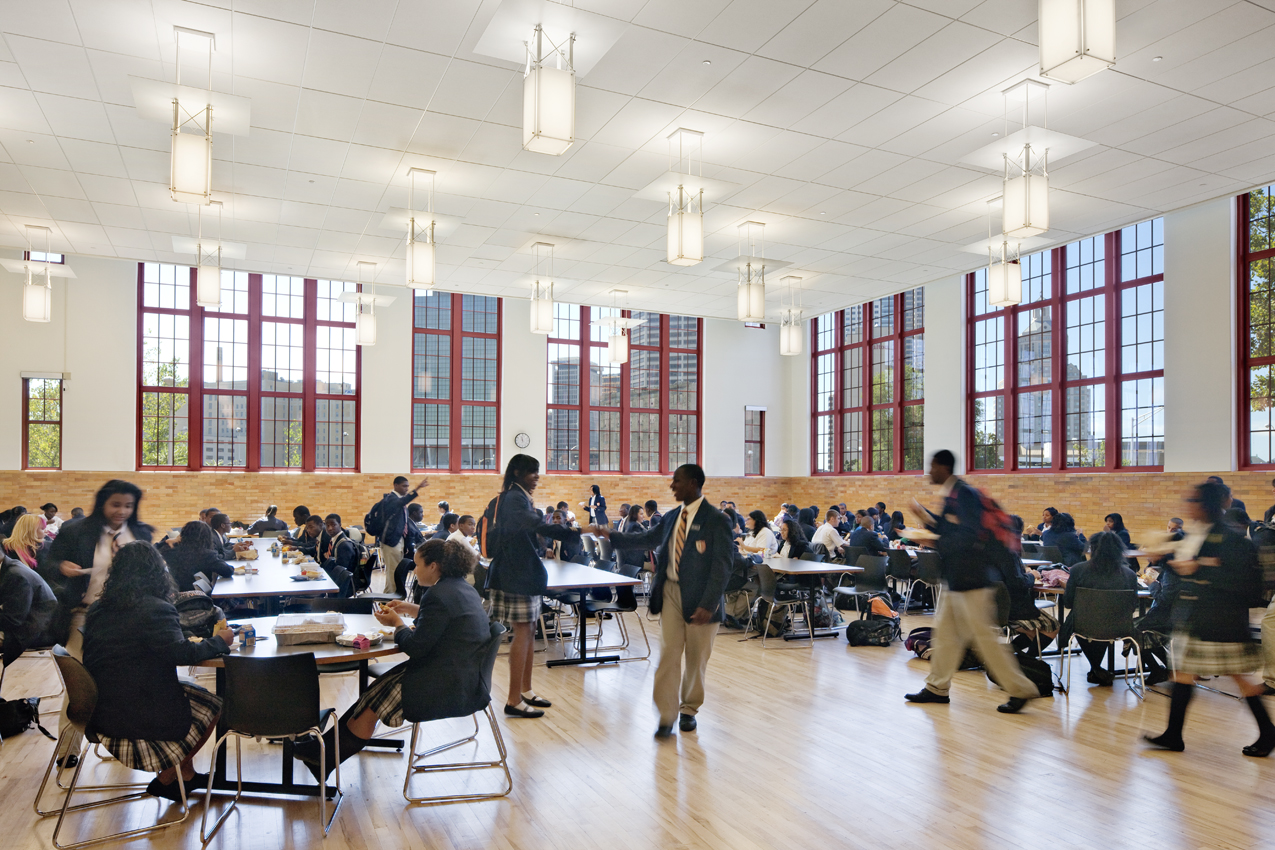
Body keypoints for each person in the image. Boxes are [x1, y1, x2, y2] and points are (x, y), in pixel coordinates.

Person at [294, 539, 489, 780]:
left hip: (446, 684)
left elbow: (415, 647)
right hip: (463, 675)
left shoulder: (438, 595)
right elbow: (446, 618)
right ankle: (321, 754)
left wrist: (397, 624)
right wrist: (410, 609)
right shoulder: (462, 589)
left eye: (417, 565)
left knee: (372, 705)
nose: (414, 570)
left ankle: (323, 759)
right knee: (370, 696)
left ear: (433, 566)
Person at [81, 542, 231, 800]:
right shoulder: (155, 608)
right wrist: (221, 641)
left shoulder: (98, 608)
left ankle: (186, 775)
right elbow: (181, 654)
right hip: (136, 710)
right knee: (216, 706)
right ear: (157, 573)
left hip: (101, 704)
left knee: (195, 692)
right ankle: (168, 777)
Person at [592, 464, 731, 739]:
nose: (672, 485)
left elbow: (723, 566)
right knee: (668, 654)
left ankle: (688, 709)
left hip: (702, 598)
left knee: (696, 658)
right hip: (670, 592)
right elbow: (647, 538)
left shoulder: (716, 519)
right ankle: (666, 715)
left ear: (693, 483)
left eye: (677, 480)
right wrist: (611, 535)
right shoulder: (671, 516)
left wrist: (709, 603)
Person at [1145, 481, 1274, 756]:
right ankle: (1173, 735)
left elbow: (1248, 586)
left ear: (1206, 505)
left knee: (1239, 678)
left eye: (1193, 501)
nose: (1188, 506)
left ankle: (1268, 732)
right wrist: (1166, 560)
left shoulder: (1231, 539)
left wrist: (1201, 569)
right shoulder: (1198, 534)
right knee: (1183, 675)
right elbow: (1188, 570)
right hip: (1198, 618)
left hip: (1220, 622)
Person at [905, 450, 1039, 714]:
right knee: (946, 636)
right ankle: (937, 687)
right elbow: (951, 529)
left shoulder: (964, 494)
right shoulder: (954, 494)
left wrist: (933, 541)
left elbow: (968, 537)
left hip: (972, 580)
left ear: (944, 467)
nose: (929, 471)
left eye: (932, 466)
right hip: (957, 579)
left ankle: (1021, 689)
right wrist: (924, 516)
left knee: (985, 639)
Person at [486, 454, 579, 718]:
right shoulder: (514, 498)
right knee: (523, 632)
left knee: (528, 631)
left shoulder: (517, 496)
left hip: (520, 573)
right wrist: (576, 532)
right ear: (517, 472)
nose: (536, 476)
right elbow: (538, 525)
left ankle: (525, 690)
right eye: (531, 471)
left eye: (537, 471)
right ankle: (513, 700)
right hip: (516, 574)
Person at [1056, 531, 1139, 684]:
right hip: (1119, 626)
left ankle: (1096, 668)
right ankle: (1096, 670)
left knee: (1079, 621)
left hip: (1084, 625)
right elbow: (1133, 606)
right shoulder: (1130, 575)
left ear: (1092, 548)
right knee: (1103, 620)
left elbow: (1068, 603)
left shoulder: (1078, 570)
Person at [0, 551, 57, 665]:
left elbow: (13, 619)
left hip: (29, 632)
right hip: (23, 625)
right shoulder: (8, 569)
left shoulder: (16, 575)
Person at [374, 477, 430, 585]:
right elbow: (403, 501)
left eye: (407, 486)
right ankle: (393, 594)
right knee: (394, 573)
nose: (406, 489)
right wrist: (417, 488)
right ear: (395, 485)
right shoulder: (392, 499)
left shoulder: (398, 500)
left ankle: (391, 594)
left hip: (397, 540)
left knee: (395, 572)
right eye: (404, 486)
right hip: (391, 541)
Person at [162, 521, 235, 592]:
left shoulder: (170, 551)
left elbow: (156, 549)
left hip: (174, 594)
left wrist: (166, 541)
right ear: (207, 537)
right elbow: (228, 571)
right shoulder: (207, 555)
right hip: (198, 596)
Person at [321, 514, 357, 596]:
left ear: (340, 525)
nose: (330, 528)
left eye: (333, 525)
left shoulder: (344, 544)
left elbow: (341, 570)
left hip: (345, 585)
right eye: (327, 525)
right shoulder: (334, 540)